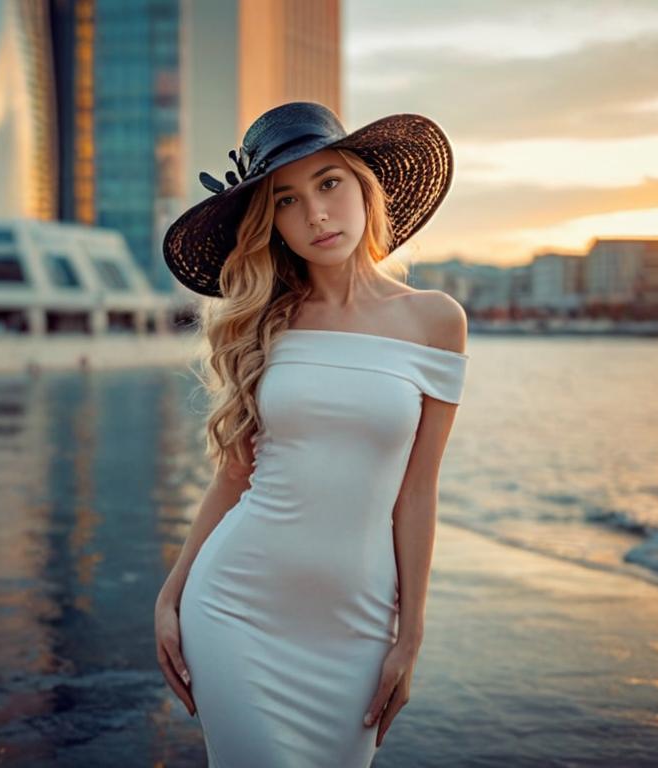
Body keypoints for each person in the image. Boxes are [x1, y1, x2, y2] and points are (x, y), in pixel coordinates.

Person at [154, 101, 469, 766]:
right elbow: (235, 477)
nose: (317, 214)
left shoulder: (437, 322)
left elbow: (417, 495)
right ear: (273, 226)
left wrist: (410, 635)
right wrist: (171, 592)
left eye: (329, 184)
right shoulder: (268, 323)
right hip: (237, 608)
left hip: (356, 626)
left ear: (364, 187)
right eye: (288, 201)